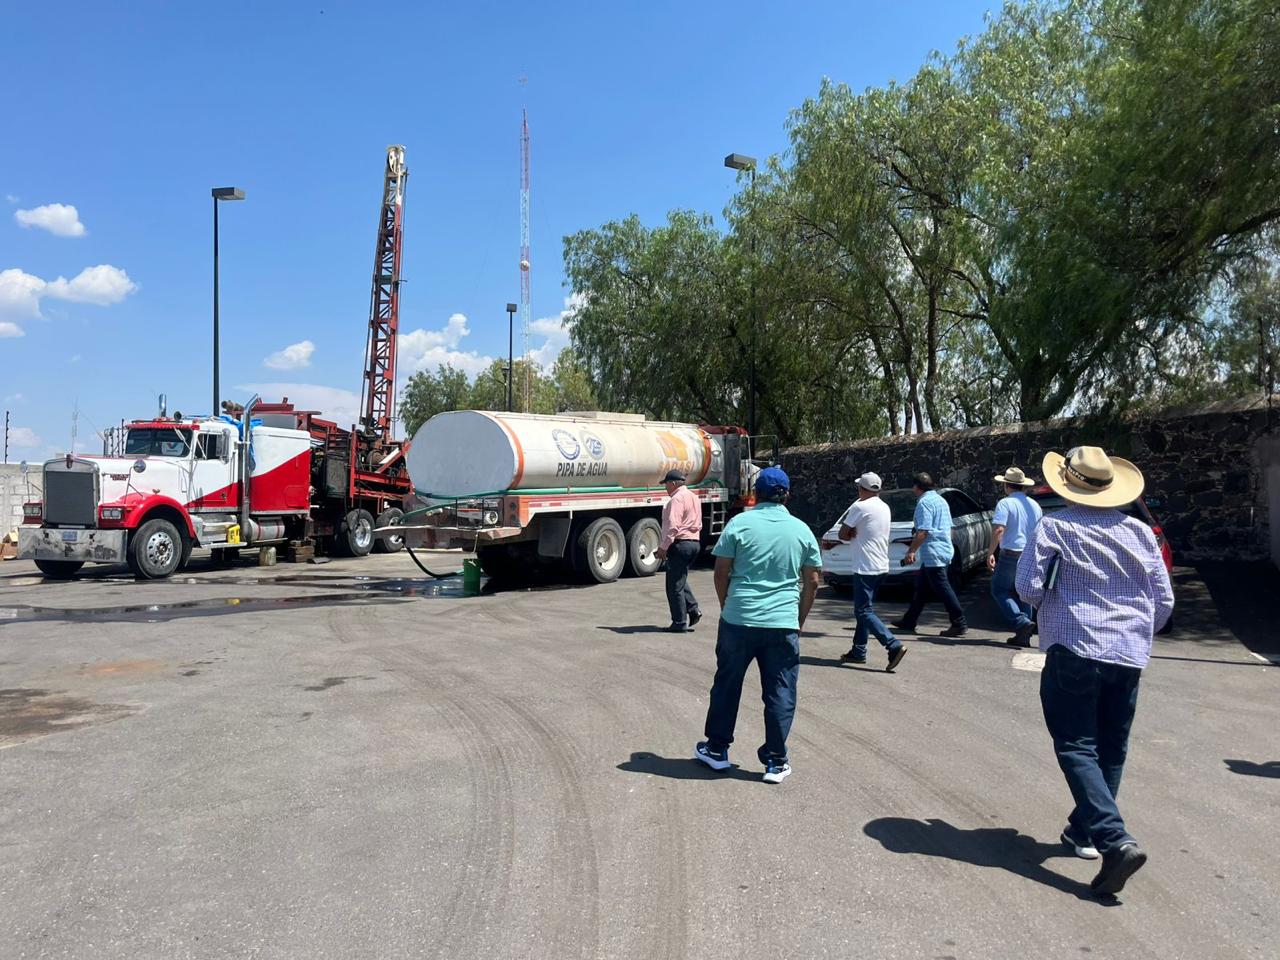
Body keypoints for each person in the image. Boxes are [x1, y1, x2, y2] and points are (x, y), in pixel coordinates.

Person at [1016, 446, 1173, 897]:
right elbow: (1163, 601)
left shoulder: (1055, 526)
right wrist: (1134, 633)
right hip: (1127, 653)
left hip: (1076, 647)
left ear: (1068, 485)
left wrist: (1053, 603)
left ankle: (1113, 838)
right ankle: (1084, 832)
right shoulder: (1139, 532)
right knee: (1112, 747)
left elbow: (1027, 588)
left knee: (1076, 744)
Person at [694, 467, 822, 784]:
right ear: (787, 495)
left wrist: (727, 605)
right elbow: (812, 581)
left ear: (756, 494)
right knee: (780, 690)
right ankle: (776, 761)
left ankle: (717, 749)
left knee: (727, 684)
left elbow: (721, 571)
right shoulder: (801, 530)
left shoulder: (739, 524)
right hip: (782, 622)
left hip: (739, 618)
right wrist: (798, 620)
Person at [834, 471, 907, 672]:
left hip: (865, 566)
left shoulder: (859, 506)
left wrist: (851, 533)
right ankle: (858, 650)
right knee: (865, 610)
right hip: (881, 565)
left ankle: (893, 645)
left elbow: (842, 534)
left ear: (862, 489)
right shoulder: (884, 507)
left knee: (863, 611)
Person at [891, 472, 966, 638]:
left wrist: (911, 551)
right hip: (942, 549)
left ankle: (959, 622)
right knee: (922, 588)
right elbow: (950, 528)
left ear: (916, 487)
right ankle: (909, 620)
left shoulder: (924, 503)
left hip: (933, 552)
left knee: (943, 588)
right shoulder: (941, 500)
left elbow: (923, 532)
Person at [986, 466, 1044, 648]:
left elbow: (999, 529)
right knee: (1024, 593)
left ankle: (1020, 621)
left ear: (1006, 485)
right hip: (1030, 553)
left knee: (999, 589)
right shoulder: (1035, 505)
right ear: (1023, 486)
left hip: (1011, 553)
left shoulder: (1005, 503)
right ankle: (1023, 635)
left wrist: (990, 552)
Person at [655, 469, 703, 633]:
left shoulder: (676, 499)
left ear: (673, 483)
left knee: (674, 586)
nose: (665, 488)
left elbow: (673, 527)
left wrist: (663, 548)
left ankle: (679, 622)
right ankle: (693, 609)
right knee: (680, 578)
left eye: (666, 484)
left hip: (680, 544)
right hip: (694, 543)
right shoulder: (694, 497)